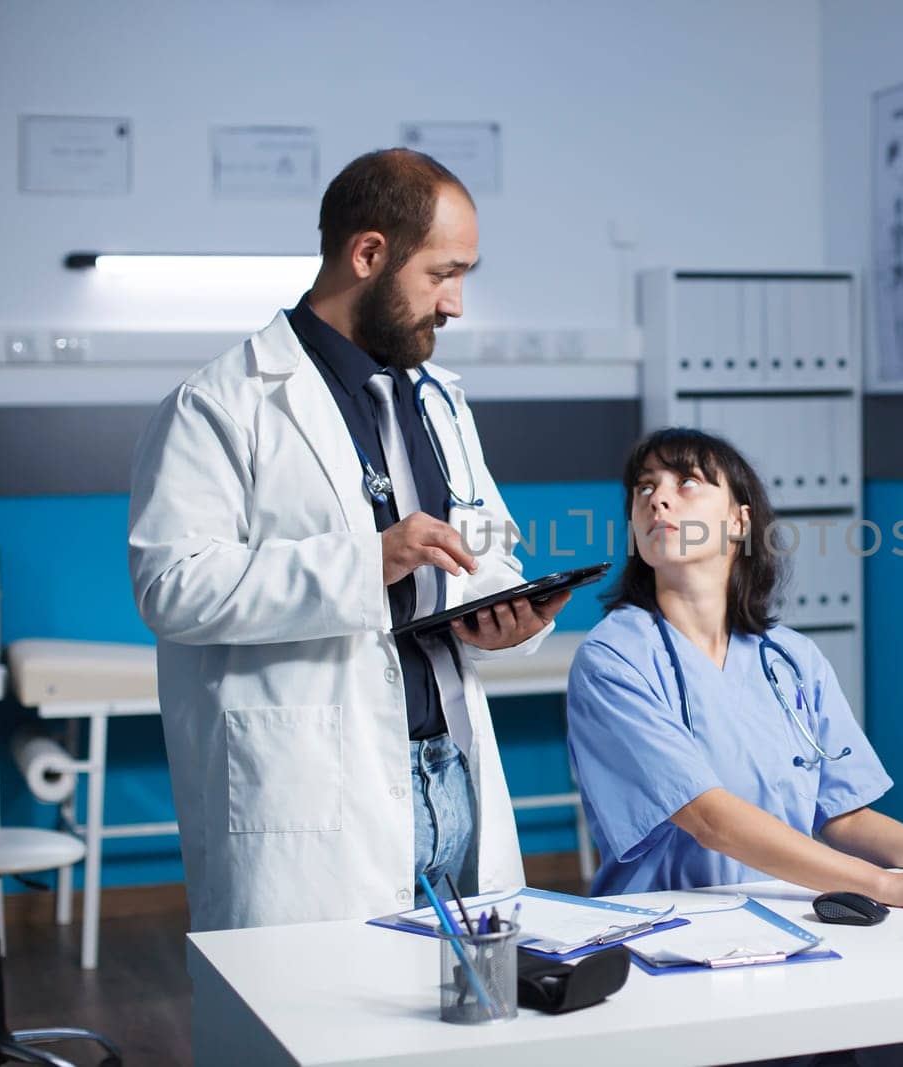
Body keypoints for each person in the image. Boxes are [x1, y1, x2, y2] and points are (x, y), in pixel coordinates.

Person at [129, 149, 569, 932]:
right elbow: (174, 587)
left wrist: (507, 612)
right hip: (320, 797)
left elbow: (489, 549)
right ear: (368, 254)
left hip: (452, 774)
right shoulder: (222, 403)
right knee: (325, 1038)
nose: (457, 304)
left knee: (469, 1036)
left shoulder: (438, 403)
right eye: (443, 273)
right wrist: (371, 560)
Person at [566, 428, 903, 907]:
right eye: (644, 488)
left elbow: (844, 819)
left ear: (739, 522)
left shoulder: (791, 658)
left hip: (779, 912)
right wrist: (887, 887)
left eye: (688, 483)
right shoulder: (614, 658)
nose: (658, 499)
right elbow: (708, 818)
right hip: (665, 926)